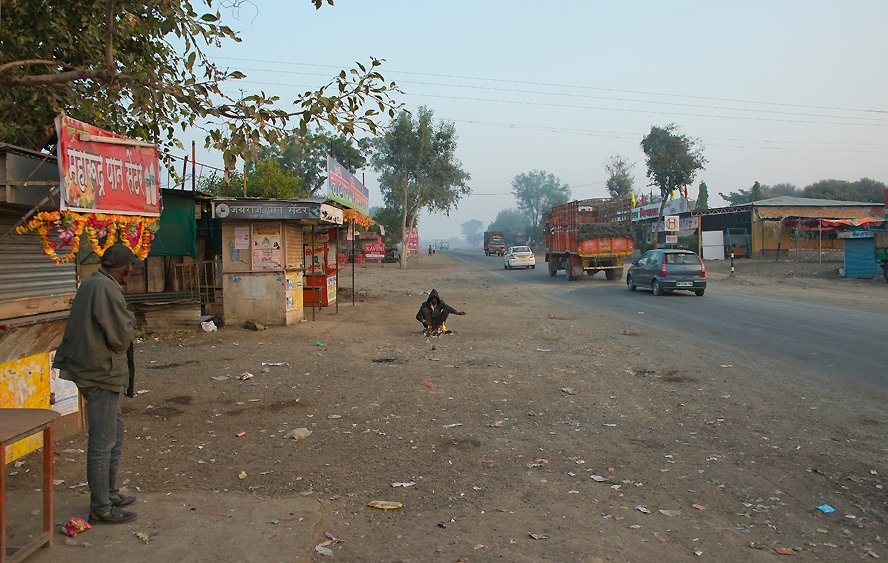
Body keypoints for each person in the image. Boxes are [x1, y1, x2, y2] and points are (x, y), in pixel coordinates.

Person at [53, 244, 139, 525]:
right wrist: (130, 321)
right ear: (125, 268)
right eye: (131, 267)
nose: (132, 272)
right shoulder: (106, 289)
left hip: (94, 371)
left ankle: (109, 494)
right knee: (103, 442)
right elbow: (120, 338)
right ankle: (101, 506)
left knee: (115, 433)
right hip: (100, 373)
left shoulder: (94, 283)